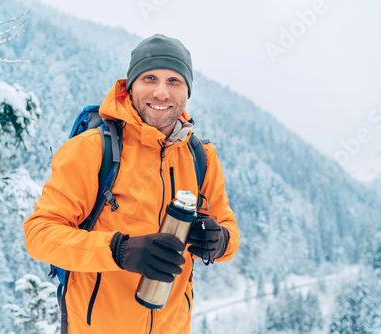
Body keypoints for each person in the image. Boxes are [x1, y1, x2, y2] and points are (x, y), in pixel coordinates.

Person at [24, 34, 239, 334]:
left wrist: (219, 241)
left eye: (174, 81)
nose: (161, 92)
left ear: (187, 91)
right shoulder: (93, 150)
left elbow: (229, 230)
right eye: (150, 78)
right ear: (131, 85)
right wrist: (119, 251)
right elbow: (39, 235)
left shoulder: (201, 157)